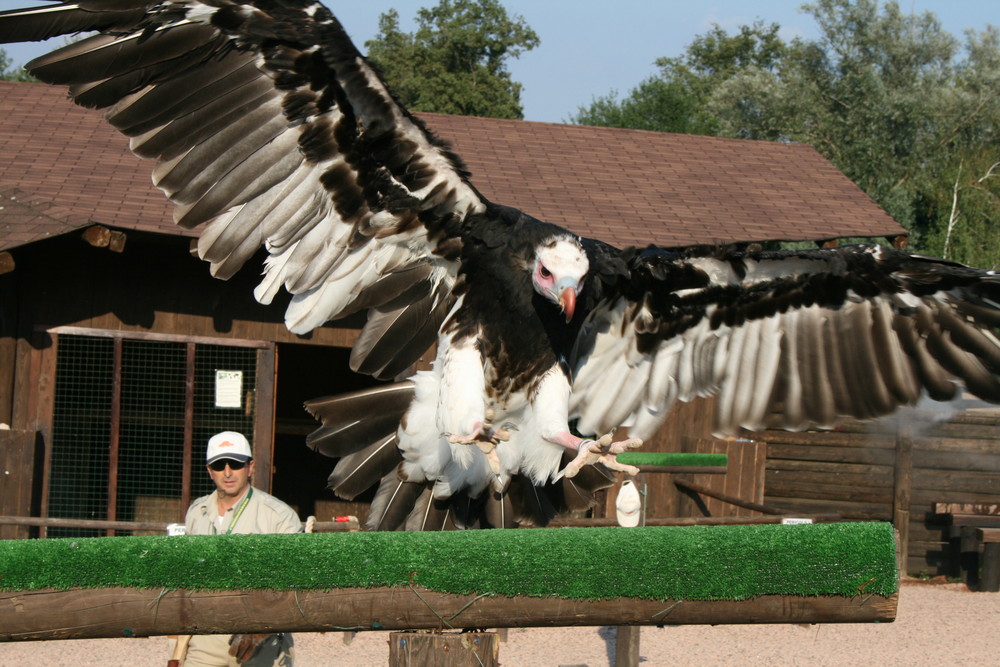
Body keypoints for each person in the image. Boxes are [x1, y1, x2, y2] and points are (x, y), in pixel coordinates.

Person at [176, 431, 301, 667]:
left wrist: (263, 627)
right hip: (206, 636)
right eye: (219, 464)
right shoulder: (196, 512)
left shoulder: (279, 516)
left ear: (250, 467)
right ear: (209, 470)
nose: (227, 471)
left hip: (261, 637)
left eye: (235, 463)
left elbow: (296, 577)